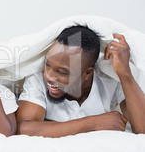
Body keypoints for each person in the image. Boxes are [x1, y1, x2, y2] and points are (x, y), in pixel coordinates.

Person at [17, 26, 145, 137]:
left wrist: (125, 73)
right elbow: (25, 129)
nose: (49, 76)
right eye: (48, 64)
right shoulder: (37, 80)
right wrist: (93, 123)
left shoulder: (110, 80)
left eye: (62, 72)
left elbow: (142, 129)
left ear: (87, 73)